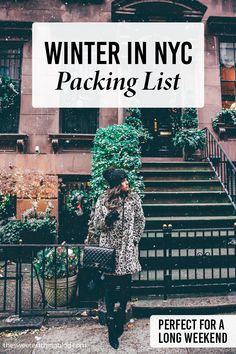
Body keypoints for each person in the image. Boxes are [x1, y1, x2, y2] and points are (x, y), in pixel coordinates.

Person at [85, 167, 145, 349]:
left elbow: (140, 220)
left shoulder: (133, 199)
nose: (128, 183)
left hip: (127, 251)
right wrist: (107, 221)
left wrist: (134, 239)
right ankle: (111, 323)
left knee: (126, 287)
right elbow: (96, 224)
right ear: (117, 184)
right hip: (110, 252)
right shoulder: (103, 200)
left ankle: (120, 317)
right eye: (124, 180)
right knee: (110, 289)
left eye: (127, 180)